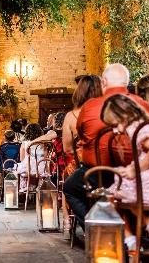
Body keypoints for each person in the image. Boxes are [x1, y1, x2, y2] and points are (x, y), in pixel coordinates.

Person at [63, 63, 149, 229]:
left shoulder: (90, 106)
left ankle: (97, 228)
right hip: (137, 175)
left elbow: (82, 137)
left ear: (103, 82)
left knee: (69, 187)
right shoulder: (141, 104)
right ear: (127, 83)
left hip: (99, 174)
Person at [101, 94, 149, 251]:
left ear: (123, 115)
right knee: (118, 188)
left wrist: (135, 169)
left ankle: (132, 238)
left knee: (113, 193)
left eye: (115, 125)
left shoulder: (137, 128)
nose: (115, 131)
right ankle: (146, 227)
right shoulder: (143, 123)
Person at [60, 74, 102, 239]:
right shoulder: (108, 112)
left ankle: (78, 223)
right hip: (111, 167)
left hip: (84, 166)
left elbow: (67, 148)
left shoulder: (72, 116)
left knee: (68, 182)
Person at [15, 123, 45, 191]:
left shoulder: (25, 143)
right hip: (41, 167)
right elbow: (46, 157)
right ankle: (39, 187)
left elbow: (21, 158)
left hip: (28, 168)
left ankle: (25, 187)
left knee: (18, 170)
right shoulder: (43, 143)